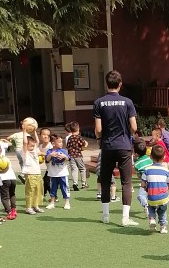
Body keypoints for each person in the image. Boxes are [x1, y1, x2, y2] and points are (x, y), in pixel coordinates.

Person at [93, 69, 139, 226]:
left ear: (106, 84)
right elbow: (134, 127)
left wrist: (99, 139)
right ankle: (125, 218)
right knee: (126, 182)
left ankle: (105, 216)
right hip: (124, 145)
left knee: (105, 180)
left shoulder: (99, 103)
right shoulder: (127, 102)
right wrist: (128, 134)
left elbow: (98, 129)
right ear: (120, 84)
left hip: (107, 145)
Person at [141, 144, 169, 233]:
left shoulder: (147, 170)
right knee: (162, 212)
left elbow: (142, 184)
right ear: (164, 157)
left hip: (152, 197)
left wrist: (147, 187)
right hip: (163, 198)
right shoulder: (165, 170)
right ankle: (163, 226)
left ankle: (152, 218)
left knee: (151, 207)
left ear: (150, 156)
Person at [21, 134, 45, 214]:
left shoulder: (34, 151)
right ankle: (28, 207)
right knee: (30, 191)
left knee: (38, 191)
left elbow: (37, 141)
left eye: (33, 146)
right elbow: (25, 142)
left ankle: (36, 206)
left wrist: (34, 131)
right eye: (31, 146)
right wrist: (24, 131)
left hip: (38, 173)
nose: (33, 147)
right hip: (30, 174)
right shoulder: (25, 153)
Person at [45, 135, 71, 210]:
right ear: (53, 143)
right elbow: (47, 160)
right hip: (53, 174)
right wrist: (51, 155)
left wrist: (64, 156)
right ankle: (52, 202)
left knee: (64, 188)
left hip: (63, 173)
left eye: (61, 142)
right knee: (53, 188)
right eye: (59, 142)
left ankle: (67, 202)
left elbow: (68, 159)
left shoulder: (64, 151)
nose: (61, 143)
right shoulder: (49, 151)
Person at [0, 139, 18, 219]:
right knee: (12, 194)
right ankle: (14, 210)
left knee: (4, 197)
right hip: (12, 177)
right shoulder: (6, 158)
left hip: (4, 179)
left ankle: (9, 212)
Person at [65, 121, 89, 191]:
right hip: (78, 155)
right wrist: (85, 145)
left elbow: (67, 146)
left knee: (74, 169)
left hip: (71, 156)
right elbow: (84, 144)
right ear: (78, 129)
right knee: (82, 169)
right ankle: (84, 183)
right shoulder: (79, 137)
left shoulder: (69, 138)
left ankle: (75, 183)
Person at [133, 139, 152, 217]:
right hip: (155, 181)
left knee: (141, 196)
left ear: (136, 153)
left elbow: (139, 176)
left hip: (145, 182)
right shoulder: (150, 159)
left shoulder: (137, 164)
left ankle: (145, 205)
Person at [39, 128, 52, 198]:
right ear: (40, 136)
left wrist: (42, 154)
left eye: (48, 135)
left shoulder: (51, 146)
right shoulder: (40, 146)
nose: (46, 136)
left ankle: (54, 196)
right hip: (48, 168)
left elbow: (51, 155)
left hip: (54, 168)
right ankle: (43, 194)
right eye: (44, 134)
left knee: (47, 181)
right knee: (45, 181)